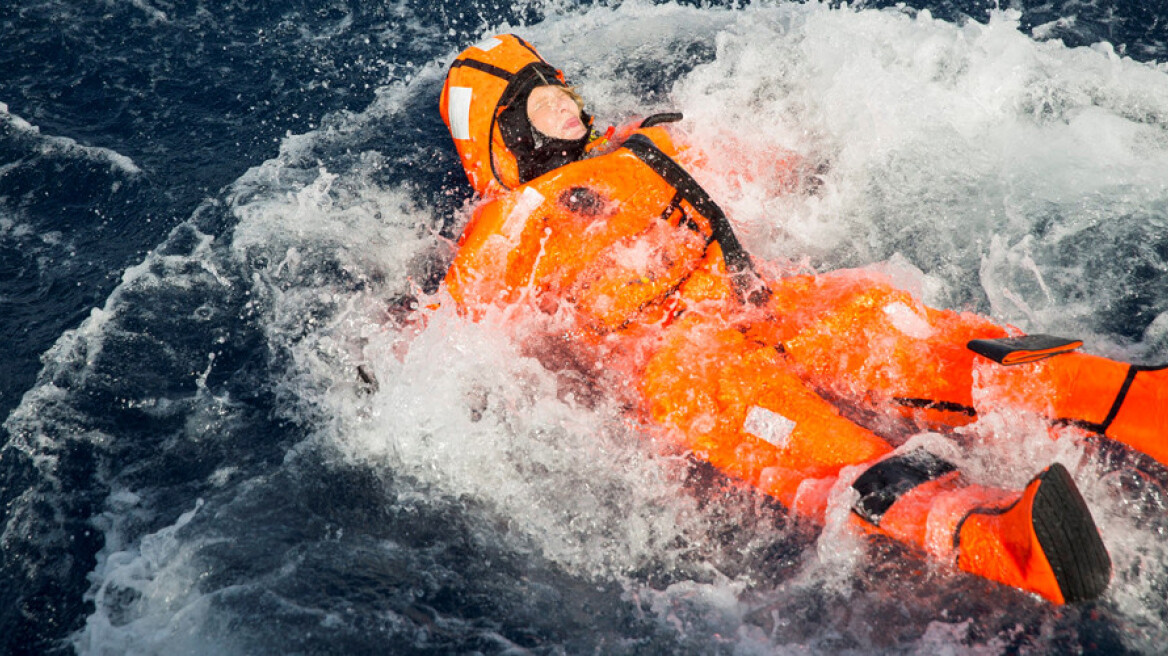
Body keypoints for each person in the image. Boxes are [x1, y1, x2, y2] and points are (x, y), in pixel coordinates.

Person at [436, 34, 1168, 604]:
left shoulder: (645, 143)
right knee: (821, 444)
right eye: (538, 101)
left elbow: (774, 163)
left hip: (765, 300)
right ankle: (993, 536)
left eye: (558, 86)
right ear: (506, 131)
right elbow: (456, 336)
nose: (563, 102)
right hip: (681, 364)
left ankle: (1130, 396)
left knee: (891, 327)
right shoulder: (504, 227)